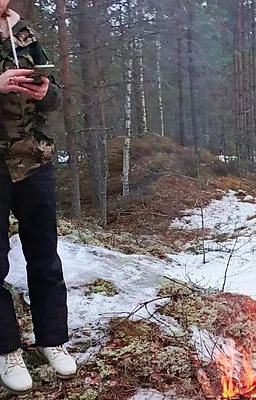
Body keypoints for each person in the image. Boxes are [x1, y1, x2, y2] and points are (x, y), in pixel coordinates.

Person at [0, 3, 76, 395]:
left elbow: (56, 98)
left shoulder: (23, 33)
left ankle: (52, 339)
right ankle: (7, 349)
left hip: (34, 162)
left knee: (45, 257)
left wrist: (46, 91)